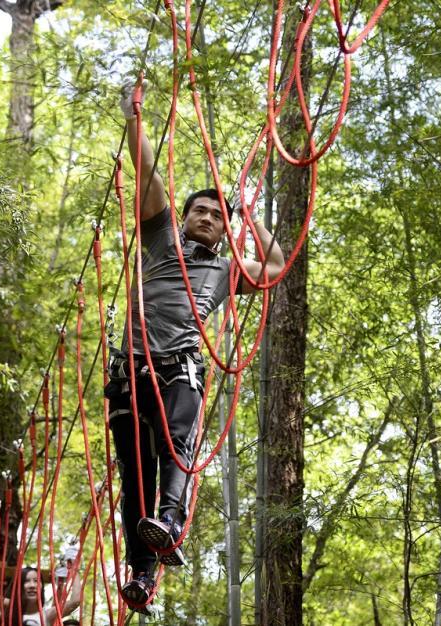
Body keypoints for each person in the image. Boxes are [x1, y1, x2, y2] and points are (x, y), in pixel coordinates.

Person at [106, 83, 285, 606]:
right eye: (199, 211)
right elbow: (148, 174)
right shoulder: (161, 238)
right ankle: (142, 575)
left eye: (215, 215)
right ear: (183, 218)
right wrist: (134, 118)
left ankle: (169, 521)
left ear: (225, 229)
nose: (206, 217)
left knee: (178, 449)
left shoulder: (228, 269)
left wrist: (249, 214)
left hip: (179, 367)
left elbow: (275, 266)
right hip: (130, 370)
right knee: (134, 476)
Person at [0, 535, 82, 626]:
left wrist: (74, 568)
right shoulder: (10, 606)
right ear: (20, 586)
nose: (32, 585)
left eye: (36, 581)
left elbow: (75, 601)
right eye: (27, 581)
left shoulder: (47, 616)